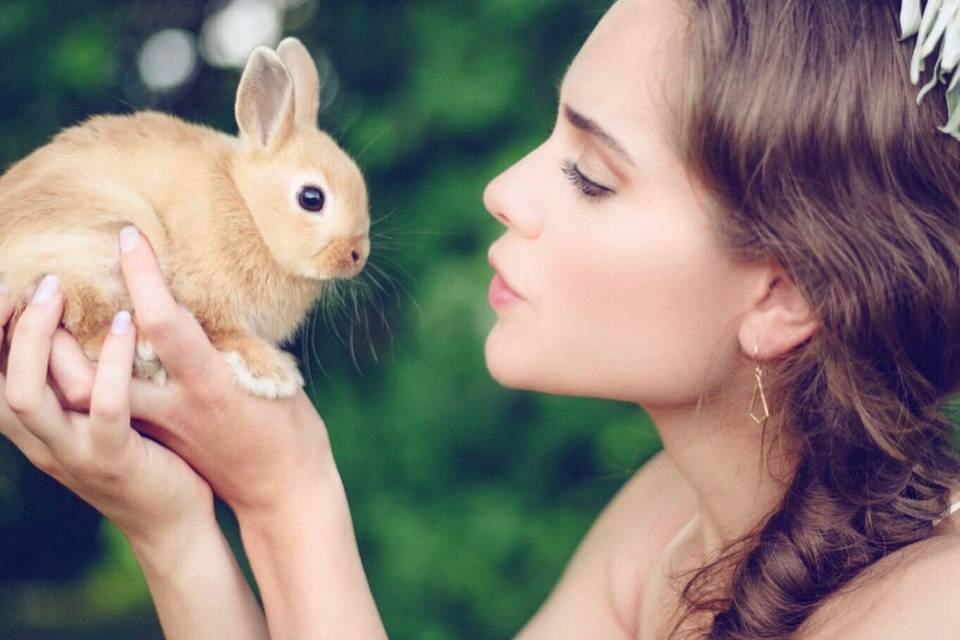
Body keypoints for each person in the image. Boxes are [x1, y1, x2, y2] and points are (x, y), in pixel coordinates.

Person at [3, 0, 960, 637]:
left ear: (785, 291)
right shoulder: (666, 527)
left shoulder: (929, 610)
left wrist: (285, 499)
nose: (504, 190)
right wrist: (178, 528)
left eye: (591, 175)